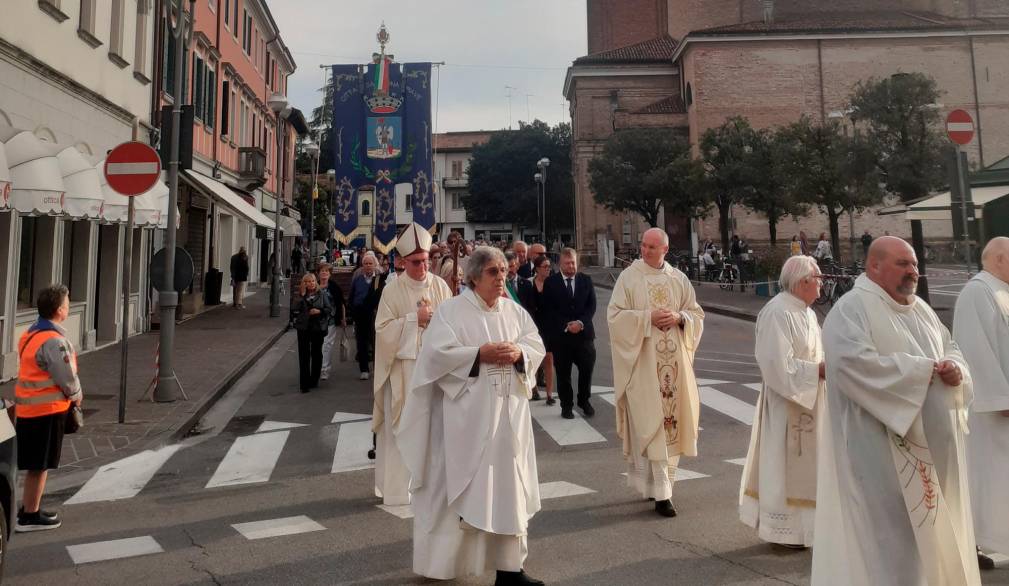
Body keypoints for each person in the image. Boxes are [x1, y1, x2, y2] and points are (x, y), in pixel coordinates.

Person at [811, 236, 979, 586]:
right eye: (903, 263)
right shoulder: (851, 310)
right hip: (878, 452)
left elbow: (952, 348)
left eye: (914, 263)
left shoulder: (921, 309)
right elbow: (851, 366)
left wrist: (955, 369)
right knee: (891, 542)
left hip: (935, 449)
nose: (913, 270)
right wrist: (921, 372)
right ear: (874, 266)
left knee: (933, 535)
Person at [397, 246, 545, 585]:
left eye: (504, 272)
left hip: (509, 422)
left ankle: (510, 571)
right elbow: (435, 356)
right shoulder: (451, 311)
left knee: (510, 490)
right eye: (493, 272)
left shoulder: (514, 311)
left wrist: (520, 352)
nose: (501, 278)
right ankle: (446, 565)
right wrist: (479, 355)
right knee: (461, 496)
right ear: (474, 277)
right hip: (469, 426)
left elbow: (534, 344)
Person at [608, 228, 704, 518]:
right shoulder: (629, 277)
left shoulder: (678, 279)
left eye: (652, 246)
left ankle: (664, 490)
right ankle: (655, 489)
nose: (645, 250)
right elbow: (614, 316)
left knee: (671, 422)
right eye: (643, 245)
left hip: (674, 366)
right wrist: (646, 318)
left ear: (665, 249)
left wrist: (680, 317)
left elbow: (696, 314)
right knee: (650, 421)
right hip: (644, 364)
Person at [740, 255, 825, 548]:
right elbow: (776, 365)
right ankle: (783, 531)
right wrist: (818, 371)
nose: (822, 284)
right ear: (804, 282)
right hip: (786, 405)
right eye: (819, 279)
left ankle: (808, 531)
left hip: (811, 401)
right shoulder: (777, 312)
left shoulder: (808, 313)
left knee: (810, 466)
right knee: (783, 465)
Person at [372, 224, 453, 507]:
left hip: (433, 369)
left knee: (436, 431)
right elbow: (381, 331)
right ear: (403, 261)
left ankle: (434, 489)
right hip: (403, 372)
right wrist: (413, 320)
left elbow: (454, 326)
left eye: (427, 261)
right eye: (417, 262)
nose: (423, 267)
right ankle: (397, 491)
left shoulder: (441, 286)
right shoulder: (392, 291)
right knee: (401, 431)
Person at [953, 237, 1009, 567]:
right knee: (984, 478)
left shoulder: (1001, 290)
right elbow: (975, 350)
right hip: (992, 409)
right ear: (1000, 259)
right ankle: (973, 543)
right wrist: (1000, 398)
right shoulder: (978, 291)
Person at [15, 285, 82, 532]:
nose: (68, 306)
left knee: (36, 463)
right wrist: (77, 396)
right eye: (67, 303)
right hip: (46, 411)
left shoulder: (29, 335)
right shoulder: (54, 341)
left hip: (29, 410)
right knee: (40, 465)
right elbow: (66, 376)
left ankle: (29, 507)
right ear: (59, 310)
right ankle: (29, 515)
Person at [544, 248, 597, 420]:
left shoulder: (586, 280)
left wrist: (580, 323)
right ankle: (566, 406)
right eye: (567, 263)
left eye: (573, 262)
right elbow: (549, 310)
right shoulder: (551, 283)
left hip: (584, 336)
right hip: (562, 338)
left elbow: (591, 307)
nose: (571, 266)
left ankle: (584, 400)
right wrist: (567, 325)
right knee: (563, 374)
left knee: (586, 371)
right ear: (560, 264)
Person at [521, 254, 556, 406]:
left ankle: (549, 394)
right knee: (534, 357)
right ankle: (534, 388)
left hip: (549, 326)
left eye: (549, 266)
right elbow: (528, 307)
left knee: (549, 359)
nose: (548, 269)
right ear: (537, 269)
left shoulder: (553, 284)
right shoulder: (530, 285)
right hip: (534, 326)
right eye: (545, 267)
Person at [291, 273, 331, 393]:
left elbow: (329, 309)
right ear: (304, 283)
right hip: (303, 327)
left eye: (313, 281)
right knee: (303, 355)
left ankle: (314, 379)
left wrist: (319, 311)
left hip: (317, 327)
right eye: (307, 282)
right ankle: (304, 384)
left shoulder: (322, 294)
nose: (311, 283)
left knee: (316, 353)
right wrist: (302, 296)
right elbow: (294, 309)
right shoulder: (300, 295)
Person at [350, 253, 382, 380]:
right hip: (360, 314)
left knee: (376, 342)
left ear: (374, 265)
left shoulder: (380, 280)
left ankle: (377, 367)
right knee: (361, 342)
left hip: (375, 314)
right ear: (362, 266)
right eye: (365, 264)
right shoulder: (357, 279)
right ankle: (364, 369)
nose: (368, 266)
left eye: (370, 263)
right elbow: (352, 296)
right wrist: (353, 311)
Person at [317, 263, 346, 382]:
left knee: (327, 345)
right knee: (318, 345)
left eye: (326, 271)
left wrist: (343, 318)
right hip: (316, 321)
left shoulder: (334, 287)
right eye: (322, 271)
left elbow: (341, 303)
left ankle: (324, 369)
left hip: (331, 320)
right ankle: (316, 367)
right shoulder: (314, 285)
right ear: (318, 273)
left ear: (330, 274)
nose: (324, 273)